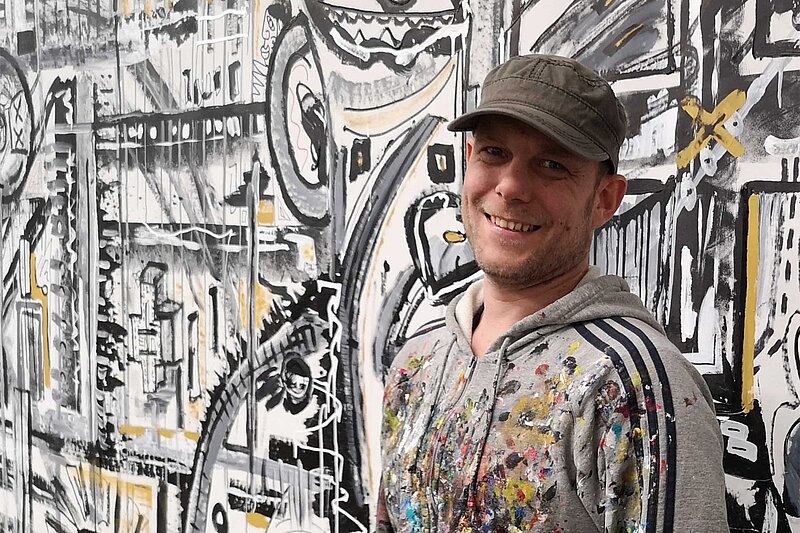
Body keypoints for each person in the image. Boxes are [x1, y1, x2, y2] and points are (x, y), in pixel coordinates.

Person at [377, 54, 728, 532]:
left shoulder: (633, 388)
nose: (510, 186)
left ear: (605, 199)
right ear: (469, 159)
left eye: (551, 165)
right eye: (494, 152)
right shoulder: (415, 365)